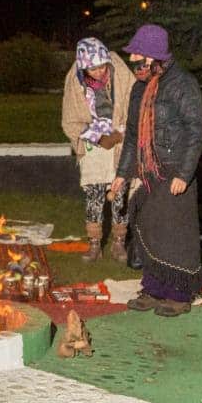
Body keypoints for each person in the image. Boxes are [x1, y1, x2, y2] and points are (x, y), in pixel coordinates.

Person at [108, 24, 202, 317]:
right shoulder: (139, 89)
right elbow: (133, 137)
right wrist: (122, 174)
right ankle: (153, 288)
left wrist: (184, 174)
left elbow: (196, 130)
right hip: (149, 169)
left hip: (175, 169)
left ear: (156, 58)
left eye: (140, 62)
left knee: (175, 234)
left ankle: (178, 294)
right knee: (150, 229)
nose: (135, 67)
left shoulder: (183, 84)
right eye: (132, 62)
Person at [61, 37, 136, 261]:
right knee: (94, 196)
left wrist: (120, 134)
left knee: (120, 194)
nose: (99, 72)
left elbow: (135, 107)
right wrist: (97, 137)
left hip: (120, 142)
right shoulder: (75, 80)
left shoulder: (122, 74)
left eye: (102, 66)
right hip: (93, 145)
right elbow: (71, 120)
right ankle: (94, 244)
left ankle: (119, 243)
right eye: (92, 68)